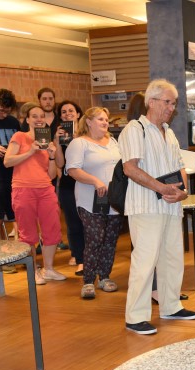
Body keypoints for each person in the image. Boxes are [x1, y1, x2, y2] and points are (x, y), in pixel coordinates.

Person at [119, 79, 195, 335]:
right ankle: (135, 317)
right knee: (145, 262)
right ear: (151, 102)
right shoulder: (135, 129)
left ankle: (171, 306)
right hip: (145, 206)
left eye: (174, 103)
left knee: (172, 259)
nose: (171, 108)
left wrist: (182, 191)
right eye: (167, 102)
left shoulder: (169, 132)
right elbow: (130, 168)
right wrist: (161, 188)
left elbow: (180, 166)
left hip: (171, 206)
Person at [65, 107, 123, 299]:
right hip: (89, 200)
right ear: (89, 122)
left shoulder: (113, 141)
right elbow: (72, 170)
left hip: (113, 199)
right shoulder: (79, 143)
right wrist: (95, 181)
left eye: (106, 119)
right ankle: (88, 280)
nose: (105, 122)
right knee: (95, 238)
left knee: (110, 239)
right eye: (100, 119)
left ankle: (105, 277)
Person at [4, 106, 66, 285]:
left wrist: (52, 156)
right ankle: (33, 271)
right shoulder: (19, 137)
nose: (39, 119)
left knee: (52, 229)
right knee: (27, 233)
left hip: (45, 189)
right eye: (34, 116)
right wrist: (31, 151)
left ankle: (49, 269)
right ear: (28, 120)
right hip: (23, 189)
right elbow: (7, 161)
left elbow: (52, 175)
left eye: (42, 116)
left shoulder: (48, 142)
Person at [0, 88, 20, 265]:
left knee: (18, 215)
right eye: (1, 110)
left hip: (14, 174)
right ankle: (1, 255)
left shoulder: (13, 122)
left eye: (7, 111)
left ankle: (20, 253)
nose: (4, 115)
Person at [53, 100, 85, 276]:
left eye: (71, 110)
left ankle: (91, 256)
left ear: (78, 114)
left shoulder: (86, 133)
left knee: (89, 222)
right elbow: (59, 163)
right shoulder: (60, 136)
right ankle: (80, 259)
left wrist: (77, 139)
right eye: (64, 112)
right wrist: (57, 143)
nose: (67, 114)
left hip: (86, 182)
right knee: (73, 223)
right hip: (68, 185)